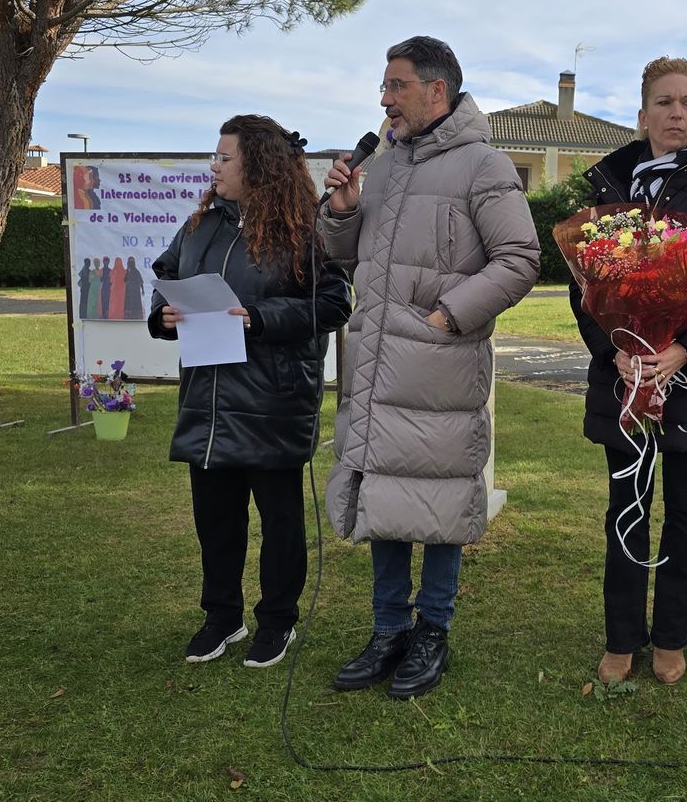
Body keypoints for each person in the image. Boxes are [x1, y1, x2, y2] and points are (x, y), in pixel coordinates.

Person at [320, 36, 539, 700]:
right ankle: (388, 630)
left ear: (436, 90)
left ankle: (433, 630)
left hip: (440, 367)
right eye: (384, 86)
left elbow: (520, 258)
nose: (384, 99)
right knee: (383, 492)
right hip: (377, 366)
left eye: (397, 85)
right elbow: (349, 257)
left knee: (440, 496)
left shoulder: (484, 164)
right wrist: (342, 211)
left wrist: (448, 316)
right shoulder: (383, 166)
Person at [571, 56, 687, 686]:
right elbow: (583, 288)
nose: (676, 113)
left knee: (685, 510)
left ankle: (673, 634)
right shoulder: (611, 186)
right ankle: (621, 636)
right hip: (626, 377)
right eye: (664, 102)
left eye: (686, 102)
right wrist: (615, 349)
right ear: (643, 114)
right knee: (625, 506)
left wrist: (684, 352)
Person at [148, 114, 352, 668]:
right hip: (208, 402)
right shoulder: (200, 225)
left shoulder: (302, 229)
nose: (213, 167)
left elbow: (333, 303)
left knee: (280, 521)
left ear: (257, 165)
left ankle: (278, 620)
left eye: (224, 157)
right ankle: (222, 617)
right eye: (213, 156)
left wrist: (258, 318)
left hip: (273, 401)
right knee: (215, 518)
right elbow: (168, 274)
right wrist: (162, 315)